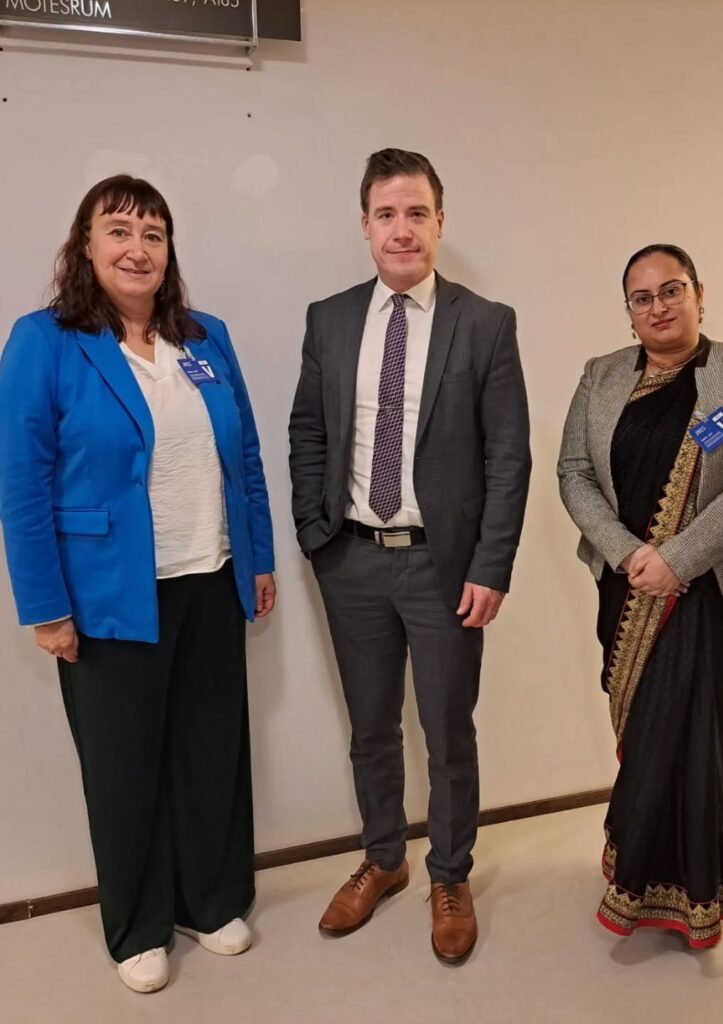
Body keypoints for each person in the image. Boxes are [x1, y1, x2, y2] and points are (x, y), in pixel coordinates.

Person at [0, 176, 276, 994]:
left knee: (209, 753)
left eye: (153, 234)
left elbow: (245, 458)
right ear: (86, 246)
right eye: (118, 230)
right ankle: (139, 925)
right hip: (107, 595)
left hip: (210, 578)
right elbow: (21, 482)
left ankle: (210, 901)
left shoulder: (206, 337)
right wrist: (46, 606)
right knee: (124, 768)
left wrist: (258, 558)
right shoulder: (46, 342)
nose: (137, 248)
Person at [288, 148, 531, 965]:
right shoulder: (328, 319)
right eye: (387, 214)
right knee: (370, 727)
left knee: (447, 731)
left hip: (443, 568)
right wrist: (315, 535)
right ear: (365, 226)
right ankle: (384, 857)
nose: (402, 229)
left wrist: (491, 565)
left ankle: (450, 874)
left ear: (440, 223)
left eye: (417, 213)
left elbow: (508, 455)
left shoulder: (484, 322)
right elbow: (308, 431)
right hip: (351, 561)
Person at [557, 244, 723, 947]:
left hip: (713, 593)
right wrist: (633, 555)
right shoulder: (601, 376)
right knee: (647, 733)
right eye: (643, 297)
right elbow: (573, 473)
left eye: (671, 289)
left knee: (701, 739)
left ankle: (698, 890)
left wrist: (678, 561)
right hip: (627, 587)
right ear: (628, 312)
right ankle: (637, 870)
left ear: (699, 294)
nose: (658, 306)